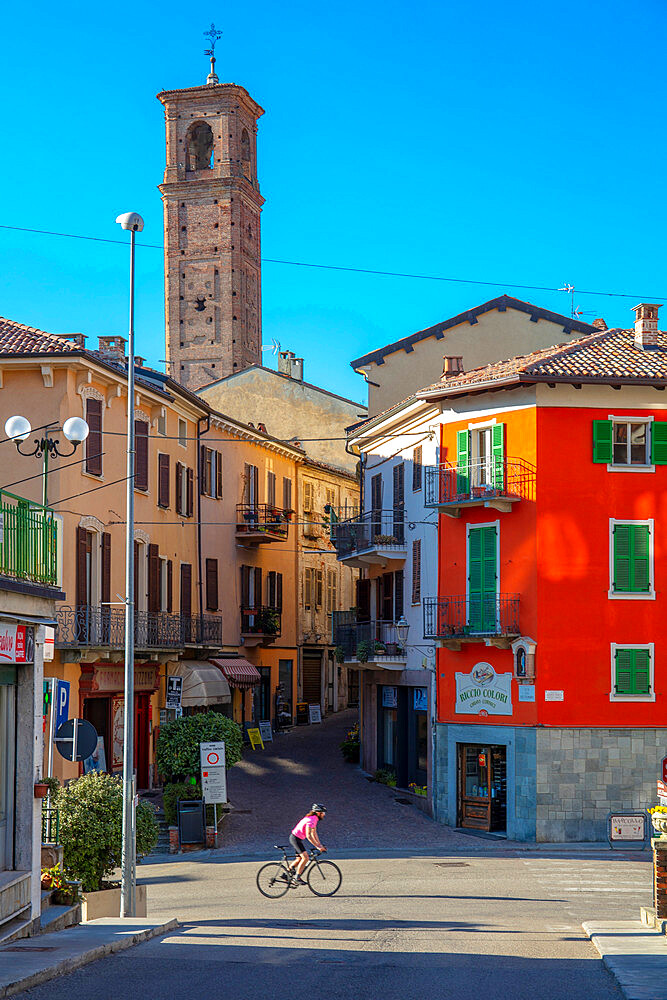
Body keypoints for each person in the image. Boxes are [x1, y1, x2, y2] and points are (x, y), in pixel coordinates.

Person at [286, 804, 327, 885]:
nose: (324, 815)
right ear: (318, 813)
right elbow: (309, 835)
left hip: (296, 838)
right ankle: (297, 878)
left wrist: (320, 845)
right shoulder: (312, 820)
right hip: (295, 839)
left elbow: (314, 833)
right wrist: (317, 846)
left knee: (299, 859)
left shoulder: (313, 819)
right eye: (323, 813)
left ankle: (285, 875)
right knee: (305, 858)